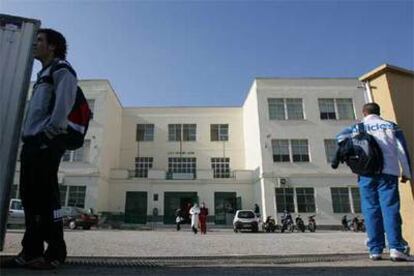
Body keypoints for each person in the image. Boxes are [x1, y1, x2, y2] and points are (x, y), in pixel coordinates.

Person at [11, 29, 78, 269]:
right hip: (33, 143)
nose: (34, 44)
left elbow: (64, 103)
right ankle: (31, 251)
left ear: (52, 46)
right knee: (31, 199)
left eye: (39, 40)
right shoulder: (43, 74)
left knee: (46, 200)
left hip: (45, 143)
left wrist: (48, 134)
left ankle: (56, 253)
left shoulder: (61, 69)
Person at [335, 103, 412, 261]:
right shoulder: (391, 126)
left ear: (364, 113)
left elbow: (340, 137)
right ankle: (396, 248)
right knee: (390, 209)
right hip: (388, 172)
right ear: (379, 112)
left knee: (370, 209)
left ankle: (375, 249)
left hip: (365, 173)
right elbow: (402, 150)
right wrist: (406, 172)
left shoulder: (358, 127)